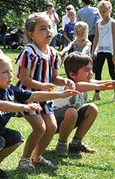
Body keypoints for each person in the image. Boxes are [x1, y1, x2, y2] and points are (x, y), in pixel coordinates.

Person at [0, 53, 79, 179]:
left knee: (17, 138)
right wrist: (24, 107)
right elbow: (1, 105)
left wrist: (60, 95)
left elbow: (33, 96)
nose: (11, 75)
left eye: (11, 71)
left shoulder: (10, 89)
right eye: (5, 72)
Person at [53, 53, 115, 157]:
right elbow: (102, 85)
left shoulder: (86, 82)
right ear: (72, 75)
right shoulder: (73, 85)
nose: (91, 73)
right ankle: (61, 145)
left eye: (91, 69)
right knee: (71, 111)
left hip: (70, 119)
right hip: (54, 122)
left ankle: (76, 143)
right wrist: (103, 86)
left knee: (92, 108)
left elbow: (109, 82)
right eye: (86, 70)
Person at [16, 12, 77, 170]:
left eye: (50, 27)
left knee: (51, 127)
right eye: (43, 28)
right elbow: (24, 79)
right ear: (32, 34)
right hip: (29, 96)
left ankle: (37, 156)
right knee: (39, 128)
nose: (48, 31)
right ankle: (25, 159)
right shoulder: (28, 52)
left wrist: (65, 81)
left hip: (45, 97)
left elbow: (54, 77)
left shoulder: (53, 53)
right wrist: (41, 85)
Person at [91, 0, 115, 102]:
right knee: (97, 71)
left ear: (109, 10)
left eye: (104, 11)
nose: (102, 13)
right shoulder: (98, 23)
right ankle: (97, 93)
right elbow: (96, 37)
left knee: (112, 72)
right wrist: (93, 50)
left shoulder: (112, 23)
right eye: (101, 11)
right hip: (100, 50)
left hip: (110, 51)